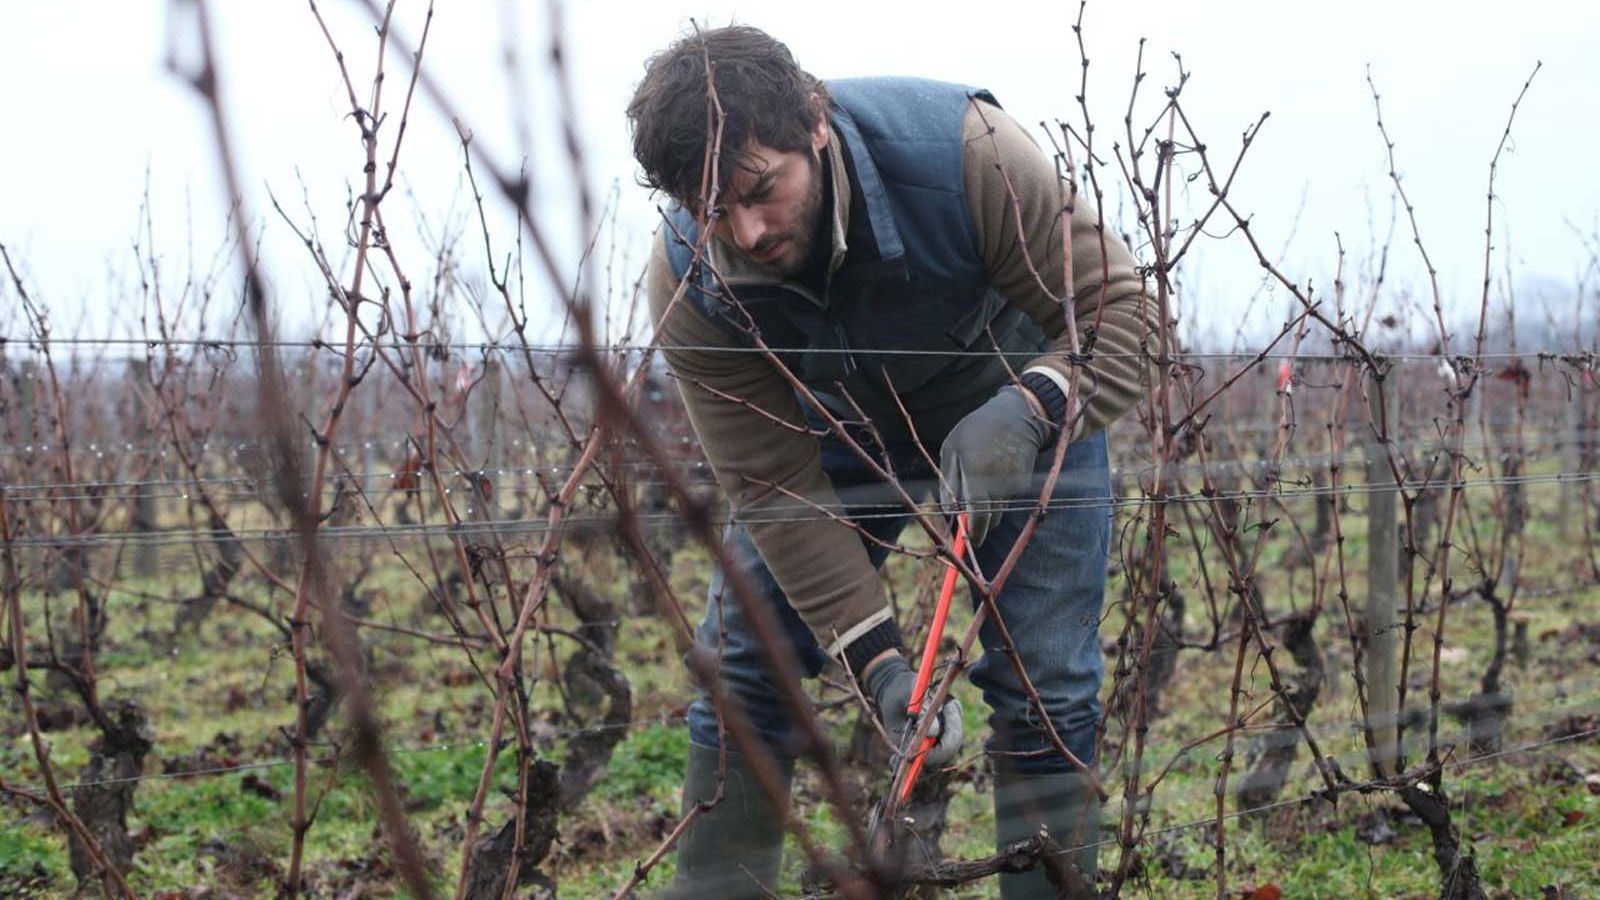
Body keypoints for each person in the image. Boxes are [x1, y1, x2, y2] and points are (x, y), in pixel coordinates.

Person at [626, 24, 1158, 899]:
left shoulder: (969, 156)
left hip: (1021, 398)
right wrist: (878, 665)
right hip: (839, 430)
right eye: (714, 209)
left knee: (1047, 688)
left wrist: (1033, 411)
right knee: (746, 670)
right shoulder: (692, 283)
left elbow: (1127, 318)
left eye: (763, 189)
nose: (748, 231)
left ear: (816, 125)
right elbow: (772, 486)